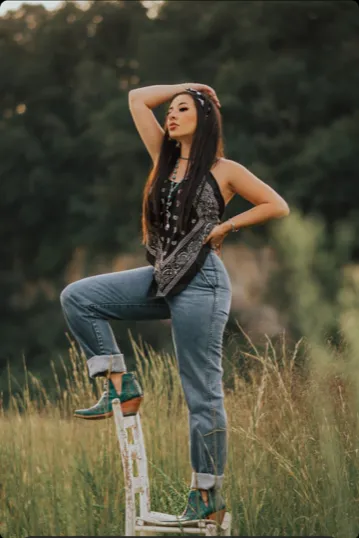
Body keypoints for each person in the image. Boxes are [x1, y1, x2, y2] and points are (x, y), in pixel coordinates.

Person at [60, 83, 290, 524]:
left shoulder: (223, 170)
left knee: (201, 394)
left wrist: (226, 227)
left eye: (182, 109)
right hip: (163, 277)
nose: (171, 114)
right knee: (79, 296)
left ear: (203, 119)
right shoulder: (163, 160)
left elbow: (275, 205)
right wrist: (189, 85)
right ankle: (118, 385)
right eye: (170, 110)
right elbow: (134, 98)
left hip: (202, 282)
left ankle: (207, 493)